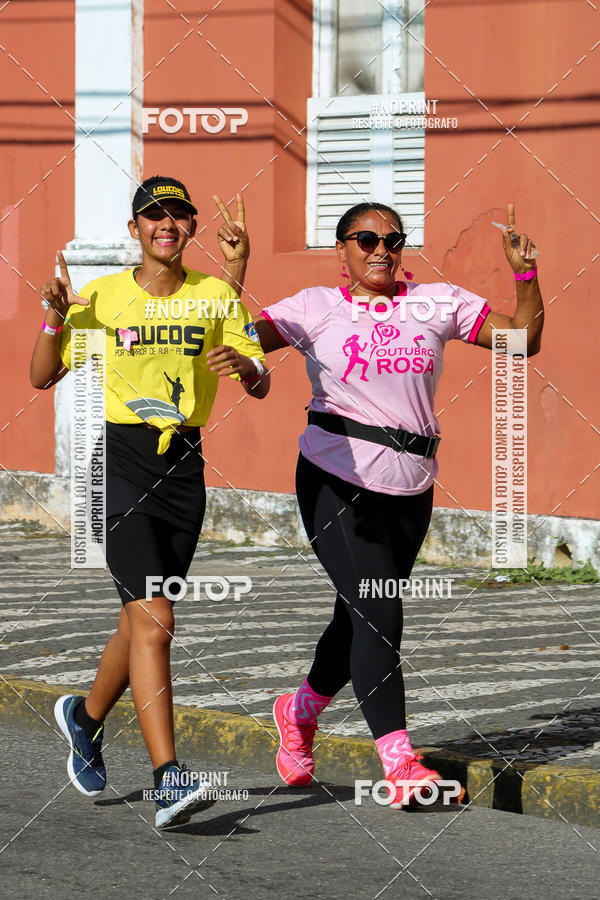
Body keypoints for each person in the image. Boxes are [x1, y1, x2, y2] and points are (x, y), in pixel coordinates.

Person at [248, 201, 543, 808]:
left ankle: (298, 712)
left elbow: (523, 340)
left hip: (411, 485)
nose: (381, 249)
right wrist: (233, 278)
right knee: (380, 608)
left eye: (392, 239)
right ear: (341, 249)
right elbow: (240, 342)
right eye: (365, 239)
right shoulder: (314, 307)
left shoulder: (436, 302)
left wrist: (525, 274)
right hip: (335, 476)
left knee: (360, 613)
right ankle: (400, 761)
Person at [30, 175, 269, 828]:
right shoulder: (103, 297)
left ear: (190, 227)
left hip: (184, 469)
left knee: (140, 622)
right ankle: (169, 779)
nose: (167, 224)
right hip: (120, 465)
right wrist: (54, 316)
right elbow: (42, 375)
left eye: (177, 215)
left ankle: (85, 718)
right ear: (134, 229)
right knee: (157, 620)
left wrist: (246, 365)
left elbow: (260, 379)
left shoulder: (215, 294)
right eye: (153, 215)